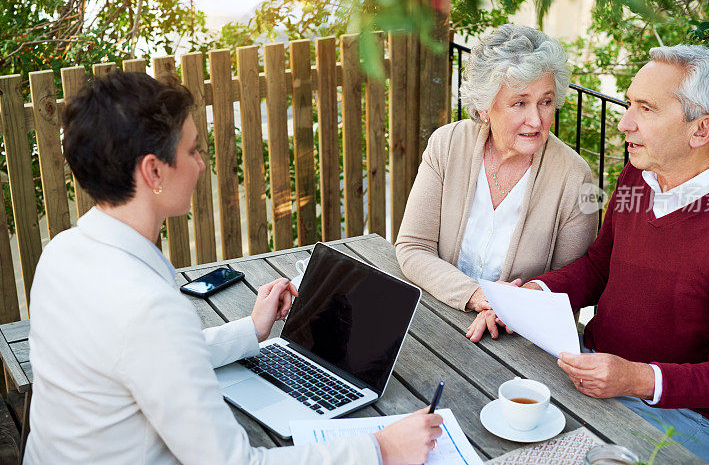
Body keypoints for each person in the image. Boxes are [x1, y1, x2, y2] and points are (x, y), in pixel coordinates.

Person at [25, 72, 443, 464]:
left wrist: (251, 331)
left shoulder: (63, 252)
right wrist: (380, 449)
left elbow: (151, 357)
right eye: (191, 151)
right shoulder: (147, 309)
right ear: (153, 170)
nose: (201, 164)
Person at [477, 45, 709, 462]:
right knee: (483, 406)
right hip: (592, 369)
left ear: (701, 130)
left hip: (688, 418)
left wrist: (637, 378)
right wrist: (532, 294)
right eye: (628, 104)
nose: (624, 123)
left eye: (646, 109)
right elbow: (598, 266)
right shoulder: (638, 176)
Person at [395, 25, 597, 342]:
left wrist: (510, 309)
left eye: (545, 101)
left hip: (518, 338)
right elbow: (412, 247)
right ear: (484, 106)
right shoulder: (448, 145)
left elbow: (569, 287)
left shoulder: (575, 177)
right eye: (519, 103)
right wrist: (479, 295)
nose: (537, 119)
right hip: (438, 315)